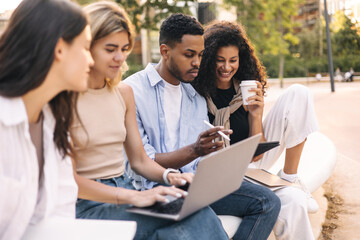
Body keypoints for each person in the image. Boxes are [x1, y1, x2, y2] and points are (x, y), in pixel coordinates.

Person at [69, 2, 229, 240]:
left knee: (191, 211)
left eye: (124, 48)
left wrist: (170, 177)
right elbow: (68, 181)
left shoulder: (123, 93)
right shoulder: (64, 101)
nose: (119, 57)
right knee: (185, 221)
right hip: (86, 203)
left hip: (124, 189)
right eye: (110, 49)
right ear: (86, 47)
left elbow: (140, 160)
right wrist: (133, 197)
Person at [124, 13, 281, 240]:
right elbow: (142, 160)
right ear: (165, 51)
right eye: (189, 55)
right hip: (155, 188)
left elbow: (197, 161)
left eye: (200, 55)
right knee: (204, 224)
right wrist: (195, 150)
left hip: (195, 185)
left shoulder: (194, 96)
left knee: (267, 202)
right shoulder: (133, 91)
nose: (197, 62)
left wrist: (216, 152)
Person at [192, 21, 319, 240]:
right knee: (294, 201)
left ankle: (289, 177)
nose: (226, 67)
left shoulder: (246, 88)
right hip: (216, 170)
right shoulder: (197, 93)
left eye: (233, 60)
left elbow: (258, 152)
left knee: (299, 92)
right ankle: (289, 188)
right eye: (220, 60)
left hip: (251, 162)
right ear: (209, 58)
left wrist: (256, 114)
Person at [0, 0, 94, 239]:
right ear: (60, 49)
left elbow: (60, 210)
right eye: (85, 48)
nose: (90, 61)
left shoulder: (54, 121)